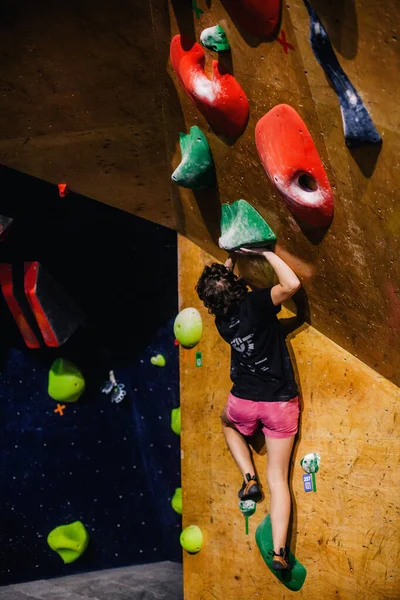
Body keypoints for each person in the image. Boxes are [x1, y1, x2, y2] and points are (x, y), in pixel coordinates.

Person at [196, 247, 301, 571]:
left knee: (227, 423)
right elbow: (291, 284)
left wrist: (230, 258)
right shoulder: (255, 303)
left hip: (243, 401)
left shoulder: (221, 320)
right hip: (278, 402)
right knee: (279, 479)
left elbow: (221, 292)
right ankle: (280, 552)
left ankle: (247, 476)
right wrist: (266, 252)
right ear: (236, 285)